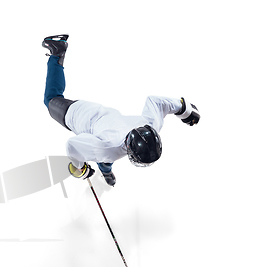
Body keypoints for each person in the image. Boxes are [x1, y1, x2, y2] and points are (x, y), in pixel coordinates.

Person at [42, 34, 200, 187]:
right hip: (79, 115)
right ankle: (58, 51)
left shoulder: (150, 124)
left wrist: (185, 110)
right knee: (51, 98)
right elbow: (72, 145)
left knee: (104, 153)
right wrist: (79, 168)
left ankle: (107, 173)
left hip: (103, 118)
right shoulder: (108, 148)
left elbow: (156, 102)